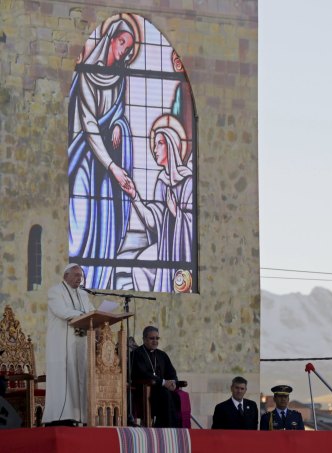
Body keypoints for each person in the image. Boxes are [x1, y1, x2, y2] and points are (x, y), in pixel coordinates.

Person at [68, 15, 140, 289]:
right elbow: (88, 124)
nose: (123, 50)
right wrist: (113, 167)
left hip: (107, 159)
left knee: (104, 222)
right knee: (81, 221)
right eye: (121, 42)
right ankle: (78, 277)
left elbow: (116, 111)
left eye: (128, 47)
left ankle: (97, 279)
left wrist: (120, 124)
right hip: (85, 157)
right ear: (111, 39)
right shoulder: (87, 74)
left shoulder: (120, 77)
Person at [122, 114, 193, 293]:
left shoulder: (188, 181)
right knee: (138, 268)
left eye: (159, 144)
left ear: (170, 146)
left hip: (182, 249)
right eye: (154, 145)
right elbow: (154, 222)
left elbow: (193, 225)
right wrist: (135, 196)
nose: (155, 149)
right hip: (164, 245)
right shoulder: (162, 182)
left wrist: (177, 213)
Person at [42, 263, 95, 425]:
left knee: (81, 379)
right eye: (76, 275)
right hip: (61, 345)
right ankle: (60, 418)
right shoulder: (55, 291)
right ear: (66, 276)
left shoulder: (84, 295)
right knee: (65, 380)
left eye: (81, 276)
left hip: (81, 344)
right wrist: (83, 315)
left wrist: (95, 317)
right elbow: (62, 312)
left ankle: (81, 417)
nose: (80, 278)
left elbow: (92, 312)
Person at [130, 326, 181, 427]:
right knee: (165, 394)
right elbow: (142, 373)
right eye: (152, 338)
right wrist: (163, 382)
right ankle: (163, 428)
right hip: (145, 391)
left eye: (157, 338)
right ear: (144, 339)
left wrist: (173, 382)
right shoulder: (136, 354)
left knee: (175, 397)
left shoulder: (162, 355)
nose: (155, 341)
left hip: (162, 390)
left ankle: (173, 429)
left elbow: (172, 372)